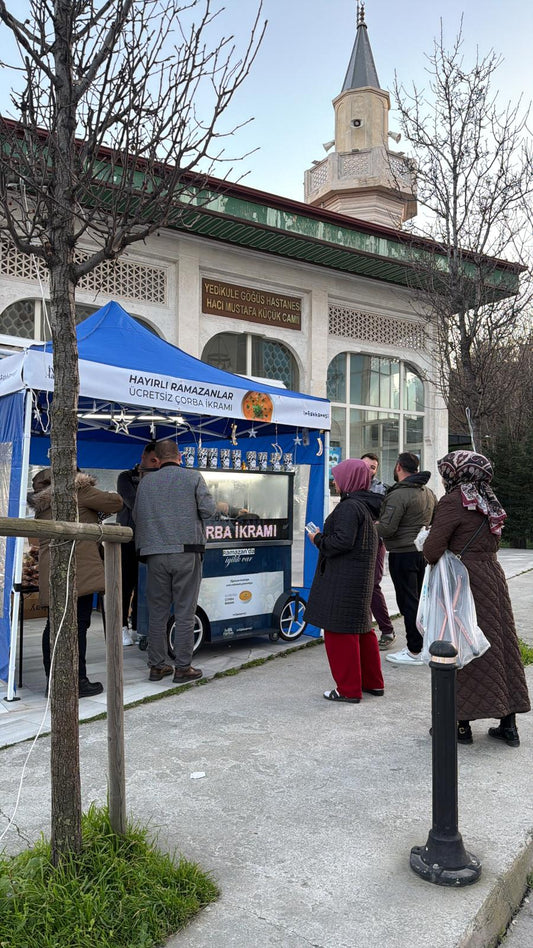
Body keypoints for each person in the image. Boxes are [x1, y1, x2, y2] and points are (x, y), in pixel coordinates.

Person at [423, 450, 530, 746]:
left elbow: (433, 551)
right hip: (493, 576)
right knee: (502, 646)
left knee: (462, 643)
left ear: (453, 473)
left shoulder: (453, 500)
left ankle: (460, 725)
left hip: (462, 580)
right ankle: (509, 724)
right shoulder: (489, 498)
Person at [28, 467, 123, 698]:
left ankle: (54, 682)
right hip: (79, 569)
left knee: (54, 626)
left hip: (52, 569)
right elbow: (116, 503)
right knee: (78, 625)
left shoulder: (42, 504)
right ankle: (77, 681)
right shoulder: (77, 492)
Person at [133, 439, 216, 684]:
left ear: (156, 459)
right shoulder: (193, 478)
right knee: (185, 612)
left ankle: (157, 666)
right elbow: (209, 510)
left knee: (157, 613)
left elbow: (138, 516)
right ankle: (182, 668)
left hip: (155, 555)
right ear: (179, 456)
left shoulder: (145, 483)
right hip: (187, 552)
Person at [305, 458, 384, 703]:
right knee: (362, 630)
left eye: (337, 477)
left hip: (343, 578)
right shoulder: (365, 505)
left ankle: (348, 689)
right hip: (358, 577)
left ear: (348, 479)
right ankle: (373, 683)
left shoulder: (349, 507)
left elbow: (341, 541)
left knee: (339, 632)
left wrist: (317, 538)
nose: (335, 482)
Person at [376, 452, 436, 666]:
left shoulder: (399, 494)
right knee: (421, 602)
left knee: (408, 603)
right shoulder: (428, 492)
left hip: (403, 554)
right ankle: (425, 644)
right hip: (422, 554)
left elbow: (387, 528)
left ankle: (414, 650)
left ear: (399, 467)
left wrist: (370, 526)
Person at [116, 443, 159, 645]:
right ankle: (121, 627)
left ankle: (139, 625)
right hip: (128, 539)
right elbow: (134, 503)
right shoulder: (125, 477)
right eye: (151, 460)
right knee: (125, 585)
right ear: (144, 457)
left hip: (150, 540)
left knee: (144, 586)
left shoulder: (160, 478)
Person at [361, 453, 395, 650]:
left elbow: (389, 518)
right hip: (355, 544)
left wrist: (378, 524)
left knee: (373, 585)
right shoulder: (350, 486)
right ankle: (363, 628)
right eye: (365, 466)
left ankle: (387, 630)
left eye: (373, 467)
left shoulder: (383, 490)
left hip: (375, 542)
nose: (369, 470)